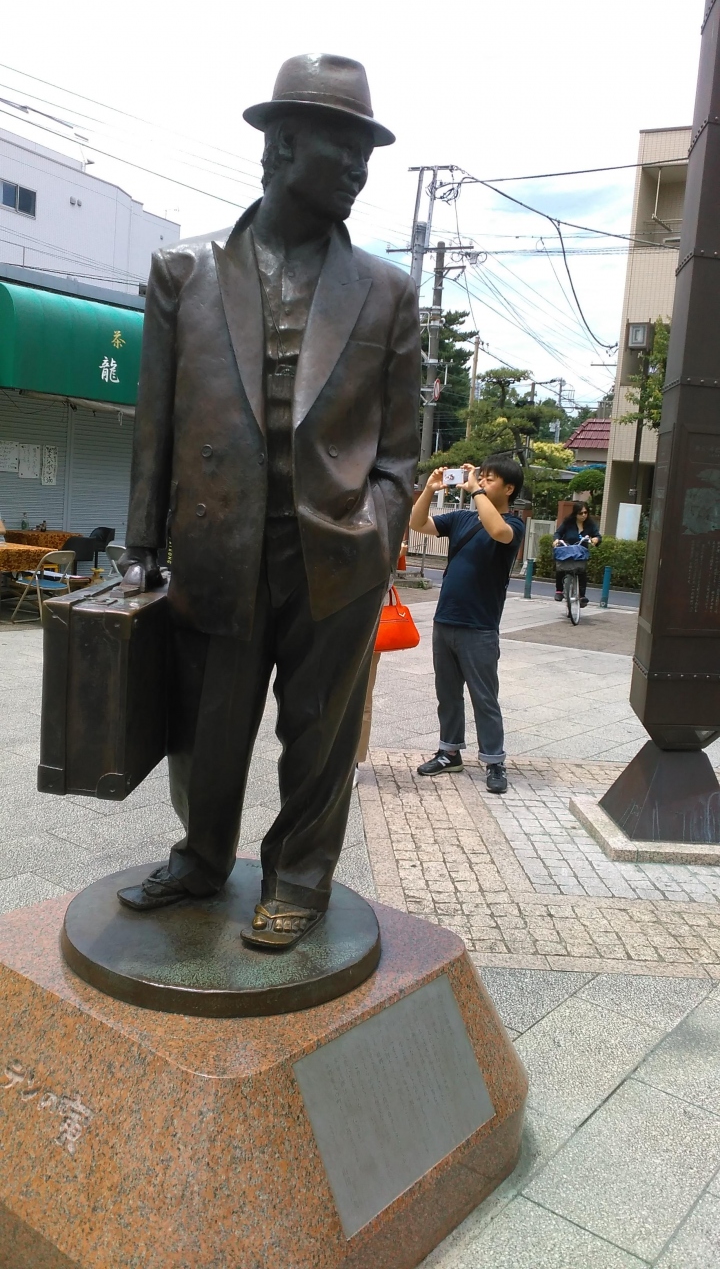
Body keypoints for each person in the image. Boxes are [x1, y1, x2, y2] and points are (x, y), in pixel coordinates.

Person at [114, 54, 420, 950]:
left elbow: (401, 447)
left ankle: (301, 878)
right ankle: (201, 857)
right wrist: (142, 540)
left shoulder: (387, 292)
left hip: (337, 550)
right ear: (283, 145)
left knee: (319, 734)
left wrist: (378, 529)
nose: (359, 168)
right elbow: (155, 421)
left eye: (368, 152)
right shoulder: (184, 271)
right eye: (343, 146)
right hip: (218, 543)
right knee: (206, 727)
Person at [411, 455, 525, 794]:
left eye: (490, 479)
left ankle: (494, 760)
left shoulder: (513, 524)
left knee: (484, 697)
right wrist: (429, 490)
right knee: (447, 694)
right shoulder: (462, 518)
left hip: (480, 626)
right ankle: (449, 752)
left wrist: (475, 491)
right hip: (445, 619)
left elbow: (498, 531)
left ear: (509, 488)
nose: (482, 482)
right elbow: (418, 524)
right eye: (480, 477)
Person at [553, 502, 601, 608]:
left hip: (580, 553)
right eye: (581, 513)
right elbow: (558, 533)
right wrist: (556, 540)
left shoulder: (590, 524)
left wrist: (595, 539)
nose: (584, 515)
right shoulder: (568, 523)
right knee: (561, 567)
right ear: (575, 513)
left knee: (582, 572)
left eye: (585, 512)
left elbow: (597, 536)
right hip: (567, 550)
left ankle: (582, 596)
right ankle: (559, 591)